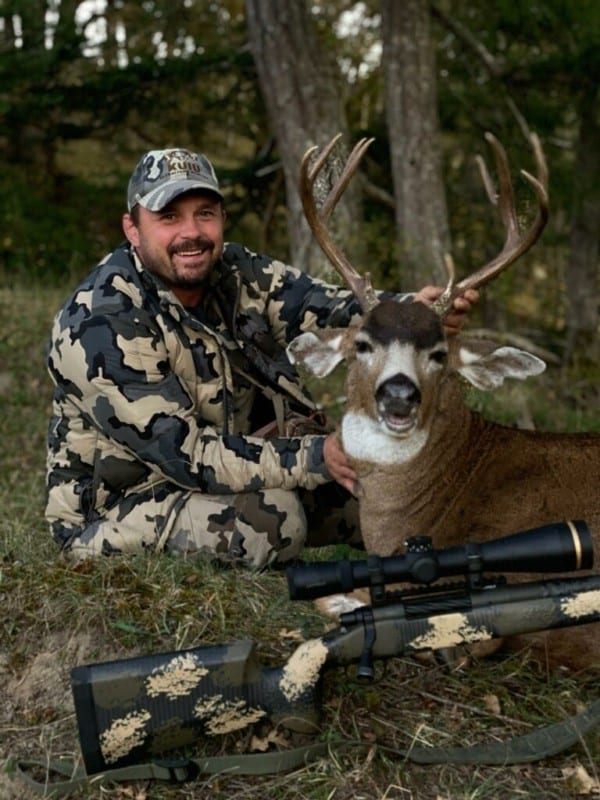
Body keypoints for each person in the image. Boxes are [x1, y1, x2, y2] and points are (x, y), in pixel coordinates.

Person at [46, 147, 477, 566]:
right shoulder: (101, 323)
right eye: (169, 217)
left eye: (205, 213)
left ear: (222, 219)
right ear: (132, 228)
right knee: (276, 520)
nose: (191, 233)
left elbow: (325, 305)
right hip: (118, 508)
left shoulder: (236, 271)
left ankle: (465, 569)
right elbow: (187, 455)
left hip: (228, 469)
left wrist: (414, 309)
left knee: (388, 492)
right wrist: (315, 456)